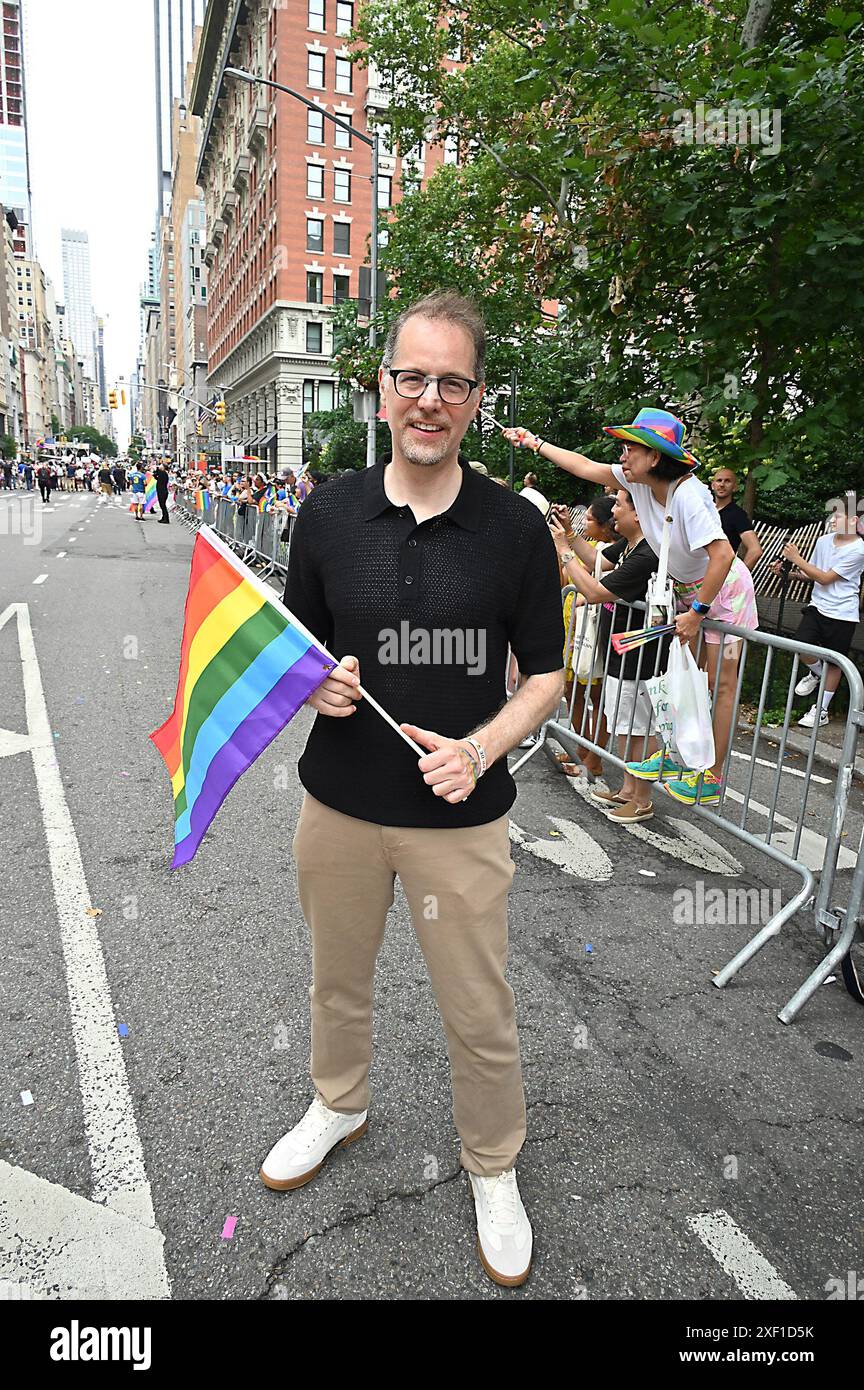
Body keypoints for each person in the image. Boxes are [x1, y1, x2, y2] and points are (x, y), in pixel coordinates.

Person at [263, 290, 565, 1288]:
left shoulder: (515, 530)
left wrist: (481, 748)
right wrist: (320, 684)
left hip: (459, 819)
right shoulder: (327, 512)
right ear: (382, 389)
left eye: (452, 381)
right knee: (335, 981)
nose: (428, 398)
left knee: (479, 1007)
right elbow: (295, 651)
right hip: (338, 807)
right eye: (411, 377)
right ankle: (338, 1102)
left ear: (476, 398)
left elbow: (551, 676)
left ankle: (491, 1165)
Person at [505, 408, 759, 805]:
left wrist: (698, 613)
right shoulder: (637, 483)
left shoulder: (689, 494)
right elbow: (585, 466)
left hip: (723, 593)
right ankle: (680, 757)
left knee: (720, 685)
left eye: (629, 448)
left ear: (655, 456)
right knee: (682, 682)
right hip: (689, 592)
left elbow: (724, 555)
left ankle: (711, 774)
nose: (621, 456)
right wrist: (535, 442)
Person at [551, 490, 666, 822]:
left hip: (640, 656)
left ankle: (641, 799)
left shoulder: (648, 554)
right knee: (624, 725)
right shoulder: (630, 546)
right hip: (620, 650)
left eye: (619, 504)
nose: (613, 511)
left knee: (638, 728)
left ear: (640, 513)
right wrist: (571, 536)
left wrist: (563, 551)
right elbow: (596, 563)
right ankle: (628, 789)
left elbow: (595, 590)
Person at [774, 504, 864, 728]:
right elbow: (811, 572)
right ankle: (817, 673)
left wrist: (796, 558)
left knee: (835, 661)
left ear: (853, 522)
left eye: (838, 517)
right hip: (818, 605)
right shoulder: (823, 541)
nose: (832, 521)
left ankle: (821, 711)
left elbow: (825, 578)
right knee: (801, 644)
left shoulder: (859, 550)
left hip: (843, 612)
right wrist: (791, 573)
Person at [554, 494, 616, 777]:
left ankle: (595, 756)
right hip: (573, 629)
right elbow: (566, 581)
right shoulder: (589, 545)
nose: (584, 523)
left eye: (590, 519)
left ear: (606, 526)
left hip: (597, 632)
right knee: (572, 691)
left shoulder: (612, 552)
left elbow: (588, 580)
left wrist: (566, 547)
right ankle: (580, 746)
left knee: (597, 695)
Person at [711, 469, 762, 570]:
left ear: (735, 487)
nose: (722, 484)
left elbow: (755, 550)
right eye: (719, 480)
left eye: (727, 481)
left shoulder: (737, 515)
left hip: (719, 574)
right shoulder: (703, 510)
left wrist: (738, 577)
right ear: (713, 485)